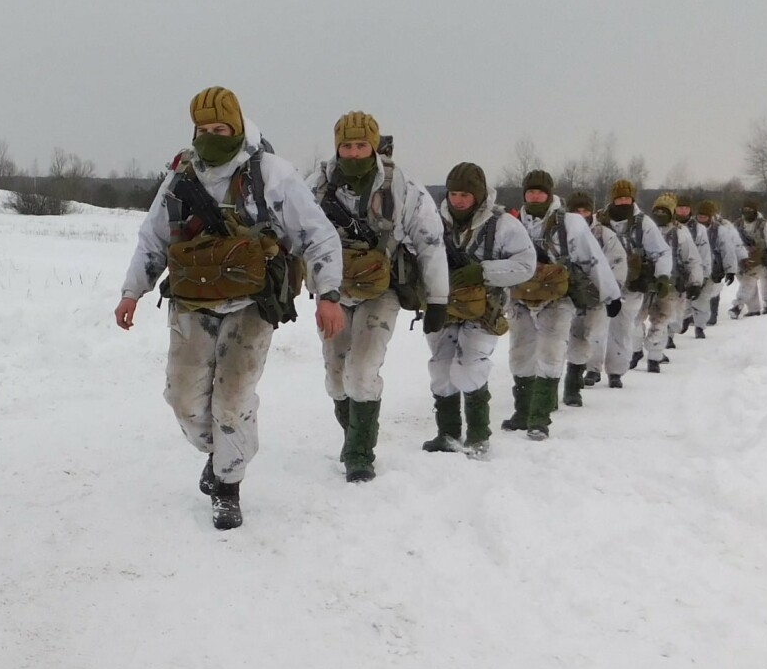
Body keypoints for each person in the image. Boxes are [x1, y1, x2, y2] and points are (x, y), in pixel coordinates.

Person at [114, 87, 344, 527]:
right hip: (191, 301)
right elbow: (154, 237)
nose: (211, 136)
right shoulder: (182, 174)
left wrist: (329, 294)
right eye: (203, 129)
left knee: (232, 402)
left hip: (251, 304)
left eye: (220, 129)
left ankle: (228, 486)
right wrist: (132, 291)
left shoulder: (271, 174)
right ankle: (220, 453)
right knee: (184, 402)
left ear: (237, 127)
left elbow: (317, 234)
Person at [307, 112, 447, 480]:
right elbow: (293, 232)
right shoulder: (317, 187)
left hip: (380, 290)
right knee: (336, 377)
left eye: (361, 145)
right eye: (346, 146)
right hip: (333, 293)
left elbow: (430, 243)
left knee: (362, 370)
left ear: (374, 145)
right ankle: (353, 432)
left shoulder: (402, 188)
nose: (354, 153)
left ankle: (359, 453)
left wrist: (438, 299)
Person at [424, 162, 536, 456]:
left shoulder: (503, 225)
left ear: (479, 195)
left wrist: (483, 271)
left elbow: (526, 265)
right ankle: (447, 433)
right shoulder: (433, 221)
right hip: (444, 306)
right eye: (454, 193)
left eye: (465, 194)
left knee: (471, 367)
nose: (458, 200)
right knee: (440, 367)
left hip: (485, 309)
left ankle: (478, 434)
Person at [504, 170, 620, 434]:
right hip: (520, 296)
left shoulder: (571, 223)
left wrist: (610, 294)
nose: (534, 196)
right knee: (520, 353)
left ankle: (540, 418)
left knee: (551, 353)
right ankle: (522, 411)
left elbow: (594, 260)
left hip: (558, 298)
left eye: (540, 191)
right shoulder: (510, 223)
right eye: (530, 191)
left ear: (549, 193)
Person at [597, 179, 671, 382]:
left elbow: (661, 252)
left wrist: (663, 275)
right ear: (612, 200)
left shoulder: (643, 224)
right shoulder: (599, 221)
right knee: (595, 328)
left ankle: (615, 372)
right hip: (602, 283)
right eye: (619, 199)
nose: (623, 202)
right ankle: (592, 368)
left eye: (626, 198)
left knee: (622, 328)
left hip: (632, 285)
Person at [565, 191, 628, 389]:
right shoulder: (561, 231)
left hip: (597, 293)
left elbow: (618, 261)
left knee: (595, 334)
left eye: (585, 210)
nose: (582, 214)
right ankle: (573, 373)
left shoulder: (604, 234)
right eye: (577, 211)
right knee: (571, 335)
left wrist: (613, 291)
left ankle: (594, 369)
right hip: (568, 293)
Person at [646, 193, 704, 369]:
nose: (660, 214)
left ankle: (654, 351)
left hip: (671, 284)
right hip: (645, 283)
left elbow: (692, 258)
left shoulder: (680, 232)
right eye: (657, 210)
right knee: (637, 319)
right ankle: (651, 357)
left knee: (664, 320)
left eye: (665, 211)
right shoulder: (645, 228)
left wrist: (695, 282)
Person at [694, 199, 747, 328]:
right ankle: (693, 316)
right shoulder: (691, 227)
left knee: (713, 291)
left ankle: (712, 315)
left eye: (705, 216)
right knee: (695, 291)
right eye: (700, 216)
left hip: (715, 264)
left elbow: (728, 249)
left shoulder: (720, 229)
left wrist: (731, 269)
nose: (702, 218)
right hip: (696, 264)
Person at [731, 198, 767, 317]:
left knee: (749, 282)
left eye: (750, 209)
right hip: (740, 258)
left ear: (755, 211)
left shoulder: (765, 225)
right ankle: (754, 309)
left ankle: (737, 305)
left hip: (758, 258)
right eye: (745, 209)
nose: (747, 212)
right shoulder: (737, 224)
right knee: (746, 283)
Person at [673, 195, 713, 340]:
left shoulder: (699, 228)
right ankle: (671, 333)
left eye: (686, 208)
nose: (683, 211)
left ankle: (700, 326)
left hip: (695, 268)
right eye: (680, 208)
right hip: (676, 270)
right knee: (674, 303)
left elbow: (704, 252)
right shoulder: (669, 225)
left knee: (701, 300)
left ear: (690, 210)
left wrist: (704, 274)